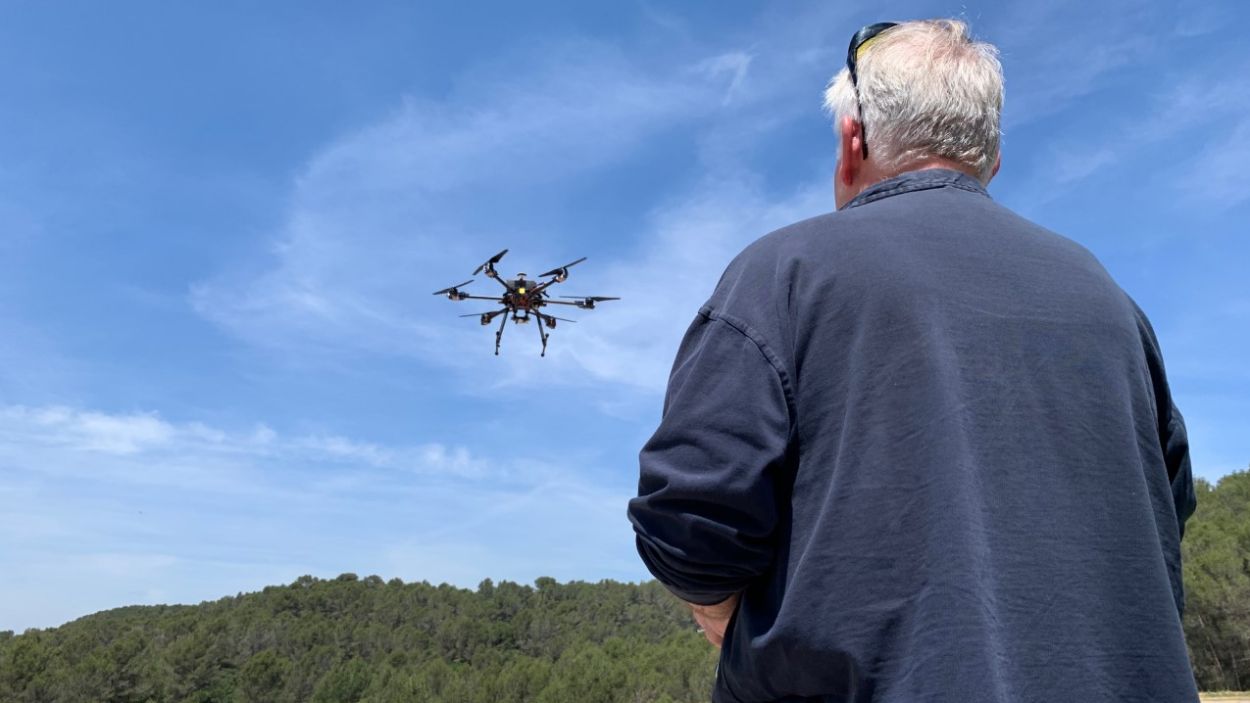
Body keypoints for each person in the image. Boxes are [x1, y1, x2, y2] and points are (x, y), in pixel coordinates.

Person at [627, 18, 1198, 703]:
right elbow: (1171, 504)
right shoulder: (1114, 304)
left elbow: (691, 518)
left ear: (853, 140)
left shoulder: (783, 273)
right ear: (990, 158)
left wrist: (721, 613)